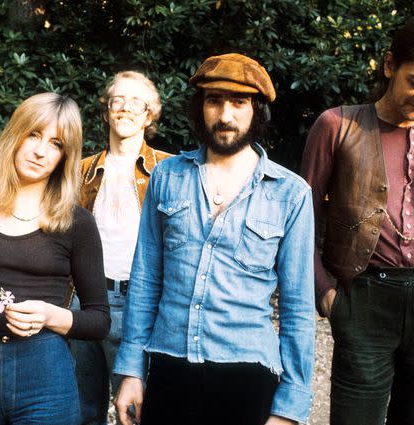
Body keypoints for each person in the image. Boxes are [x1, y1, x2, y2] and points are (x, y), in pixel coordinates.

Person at [113, 53, 315, 425]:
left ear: (257, 111)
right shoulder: (167, 177)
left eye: (238, 103)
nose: (225, 116)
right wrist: (131, 371)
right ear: (200, 107)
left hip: (247, 375)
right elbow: (145, 281)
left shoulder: (291, 193)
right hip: (169, 366)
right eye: (214, 101)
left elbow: (298, 308)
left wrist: (289, 407)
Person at [301, 14, 414, 425]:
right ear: (388, 65)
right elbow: (300, 225)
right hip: (362, 300)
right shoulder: (337, 125)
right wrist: (326, 295)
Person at [0, 92, 110, 424]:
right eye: (34, 134)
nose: (40, 151)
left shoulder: (77, 222)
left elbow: (99, 320)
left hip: (45, 378)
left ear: (64, 158)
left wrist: (50, 315)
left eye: (56, 144)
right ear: (16, 134)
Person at [72, 71, 171, 425]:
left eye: (136, 102)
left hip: (142, 305)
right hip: (85, 301)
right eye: (118, 100)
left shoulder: (169, 170)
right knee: (81, 411)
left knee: (137, 411)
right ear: (106, 111)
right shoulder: (80, 172)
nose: (126, 108)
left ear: (150, 115)